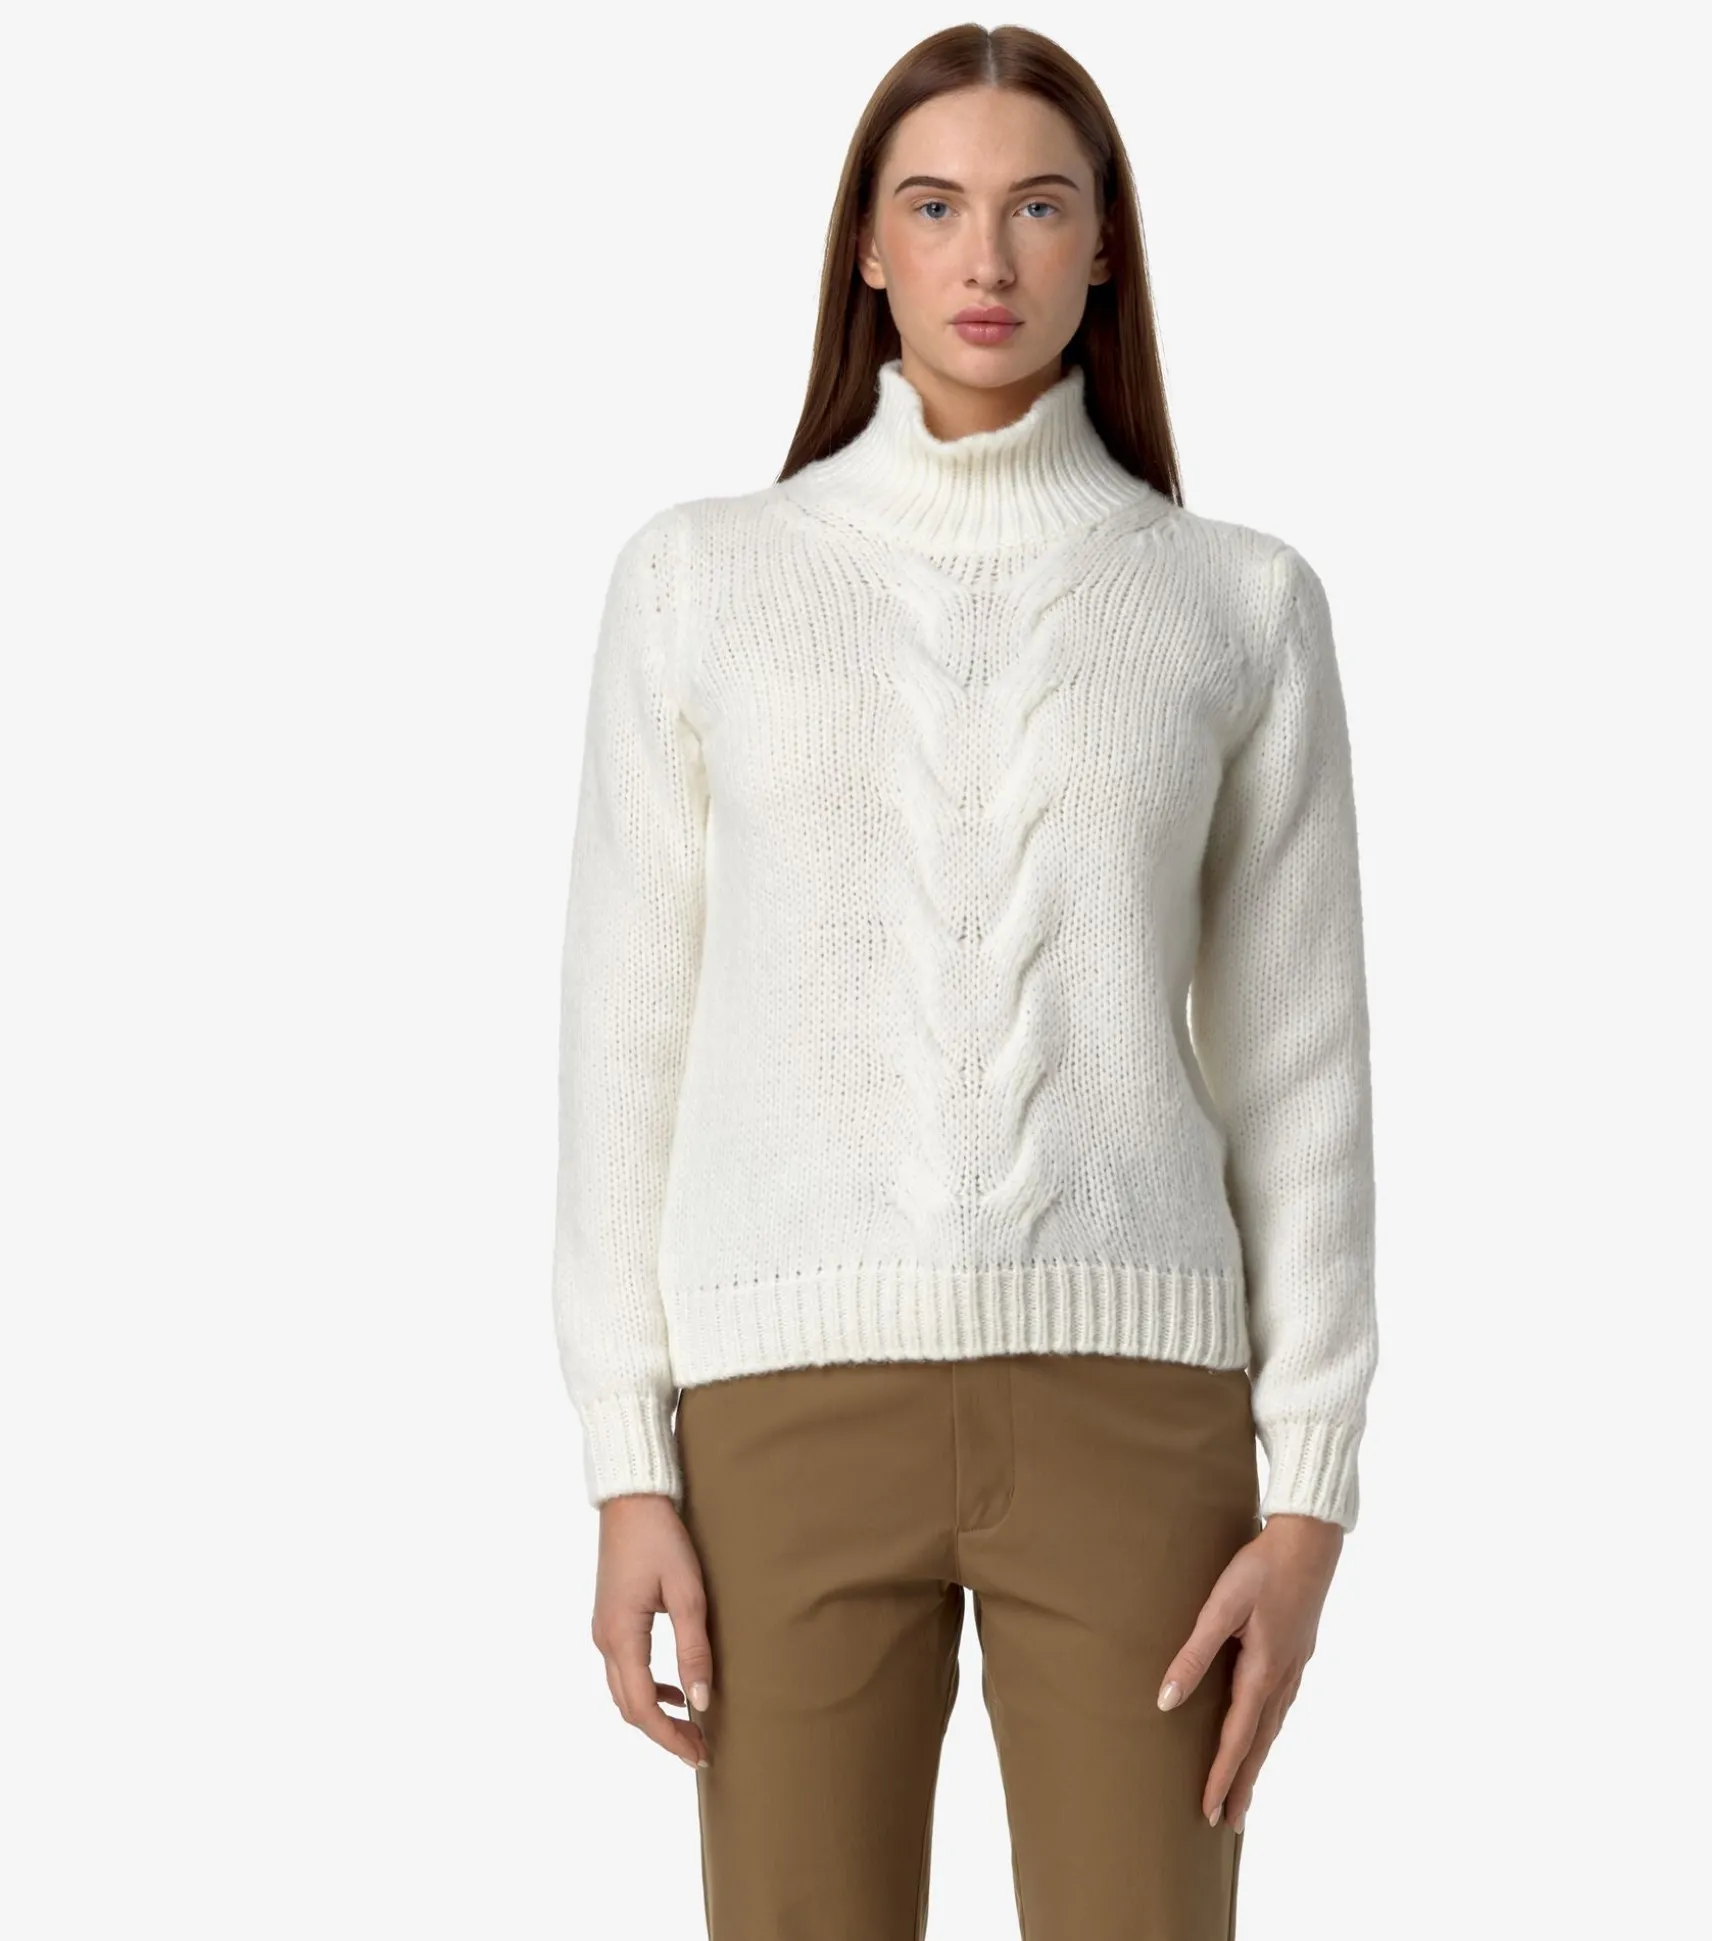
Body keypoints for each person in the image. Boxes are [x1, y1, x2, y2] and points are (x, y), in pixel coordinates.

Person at [550, 23, 1377, 1939]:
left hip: (1138, 1415)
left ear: (1106, 247)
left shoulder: (1239, 603)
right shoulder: (698, 582)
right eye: (933, 208)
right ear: (867, 246)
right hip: (780, 1410)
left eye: (1037, 208)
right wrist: (623, 1465)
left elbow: (1305, 1068)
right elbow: (623, 1040)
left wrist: (1311, 1501)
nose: (985, 259)